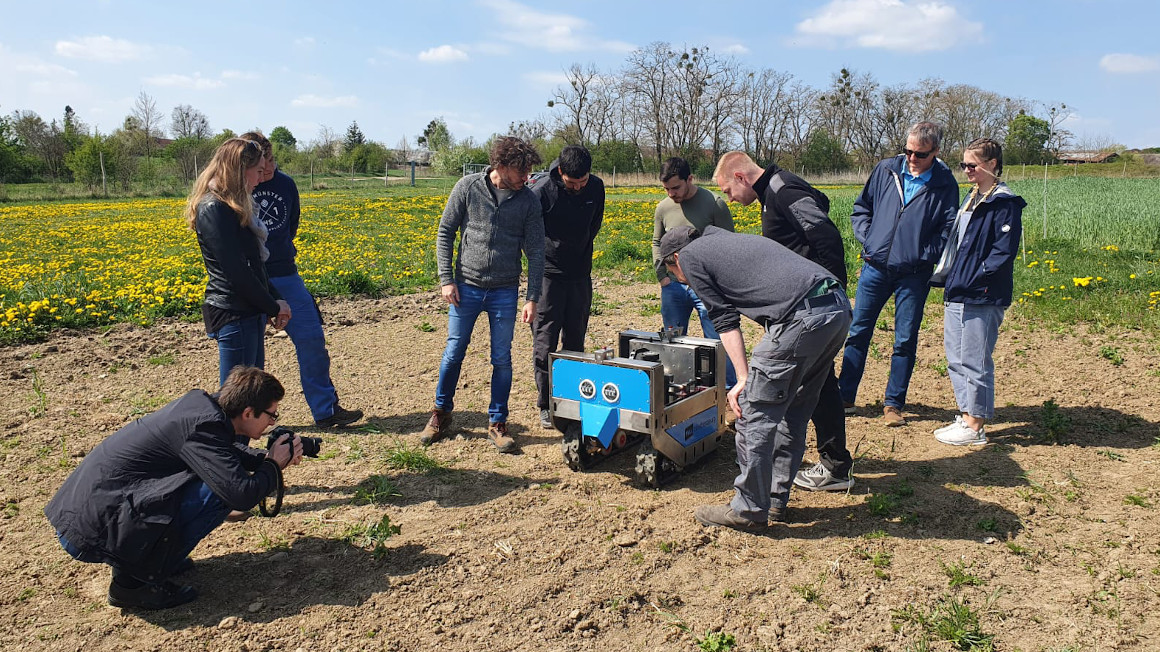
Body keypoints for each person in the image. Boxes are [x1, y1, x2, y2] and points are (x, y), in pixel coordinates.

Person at [45, 367, 303, 610]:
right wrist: (272, 465)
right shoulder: (204, 427)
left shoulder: (201, 411)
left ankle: (142, 559)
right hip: (90, 534)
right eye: (272, 415)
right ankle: (132, 585)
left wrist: (263, 458)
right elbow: (240, 494)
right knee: (217, 494)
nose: (272, 423)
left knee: (217, 478)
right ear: (248, 412)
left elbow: (223, 453)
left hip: (89, 517)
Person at [658, 226, 851, 532]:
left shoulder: (692, 257)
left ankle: (748, 509)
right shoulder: (722, 242)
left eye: (670, 267)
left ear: (676, 258)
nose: (676, 275)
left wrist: (743, 377)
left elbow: (723, 319)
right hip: (836, 307)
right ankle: (773, 501)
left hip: (800, 318)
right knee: (795, 412)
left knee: (752, 412)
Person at [713, 151, 854, 492]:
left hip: (811, 306)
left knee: (817, 385)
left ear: (740, 177)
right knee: (817, 383)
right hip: (799, 304)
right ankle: (822, 460)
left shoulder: (783, 190)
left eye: (729, 191)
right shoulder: (772, 193)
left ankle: (834, 464)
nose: (730, 200)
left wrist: (829, 291)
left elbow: (826, 235)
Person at [419, 136, 545, 453]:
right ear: (501, 166)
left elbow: (536, 250)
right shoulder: (467, 187)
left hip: (504, 290)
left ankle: (498, 421)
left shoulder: (528, 201)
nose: (526, 177)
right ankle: (440, 413)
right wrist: (446, 278)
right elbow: (446, 231)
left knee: (502, 358)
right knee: (454, 352)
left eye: (530, 170)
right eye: (522, 171)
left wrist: (532, 297)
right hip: (466, 287)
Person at [839, 122, 960, 426]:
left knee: (905, 339)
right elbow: (861, 208)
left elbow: (948, 230)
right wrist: (869, 239)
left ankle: (893, 404)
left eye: (919, 154)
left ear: (935, 152)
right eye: (907, 151)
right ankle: (845, 396)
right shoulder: (886, 170)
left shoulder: (945, 184)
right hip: (874, 268)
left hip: (914, 275)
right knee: (857, 333)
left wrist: (923, 255)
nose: (911, 158)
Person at [240, 131, 363, 429]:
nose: (268, 168)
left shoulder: (285, 185)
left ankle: (326, 411)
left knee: (311, 339)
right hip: (249, 278)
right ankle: (241, 421)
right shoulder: (238, 189)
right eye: (262, 162)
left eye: (271, 160)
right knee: (249, 355)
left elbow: (290, 226)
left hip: (285, 273)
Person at [930, 138, 1025, 445]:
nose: (966, 171)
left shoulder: (1004, 203)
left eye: (972, 165)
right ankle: (966, 413)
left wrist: (977, 276)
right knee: (955, 357)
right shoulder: (971, 198)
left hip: (982, 293)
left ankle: (976, 425)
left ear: (992, 165)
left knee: (975, 359)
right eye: (964, 165)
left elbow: (1002, 252)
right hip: (958, 288)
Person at [185, 138, 291, 387]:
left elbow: (254, 265)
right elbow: (235, 272)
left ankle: (247, 428)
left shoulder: (235, 207)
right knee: (235, 395)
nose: (259, 179)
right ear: (241, 170)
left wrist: (274, 300)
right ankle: (228, 429)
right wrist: (273, 306)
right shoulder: (214, 209)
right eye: (257, 172)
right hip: (233, 312)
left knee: (250, 391)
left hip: (248, 309)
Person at [527, 145, 605, 430]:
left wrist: (580, 252)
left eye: (583, 181)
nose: (579, 187)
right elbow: (532, 237)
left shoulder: (596, 188)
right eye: (573, 183)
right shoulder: (541, 192)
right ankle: (546, 402)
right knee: (545, 341)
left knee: (575, 340)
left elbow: (594, 224)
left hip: (580, 275)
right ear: (561, 172)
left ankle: (571, 398)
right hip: (548, 276)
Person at [651, 156, 737, 387]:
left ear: (690, 179)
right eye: (666, 189)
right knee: (673, 340)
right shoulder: (663, 208)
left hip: (706, 287)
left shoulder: (714, 203)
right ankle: (677, 386)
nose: (671, 194)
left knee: (719, 339)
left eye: (676, 187)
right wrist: (662, 277)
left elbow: (729, 244)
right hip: (673, 287)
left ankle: (727, 390)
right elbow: (657, 243)